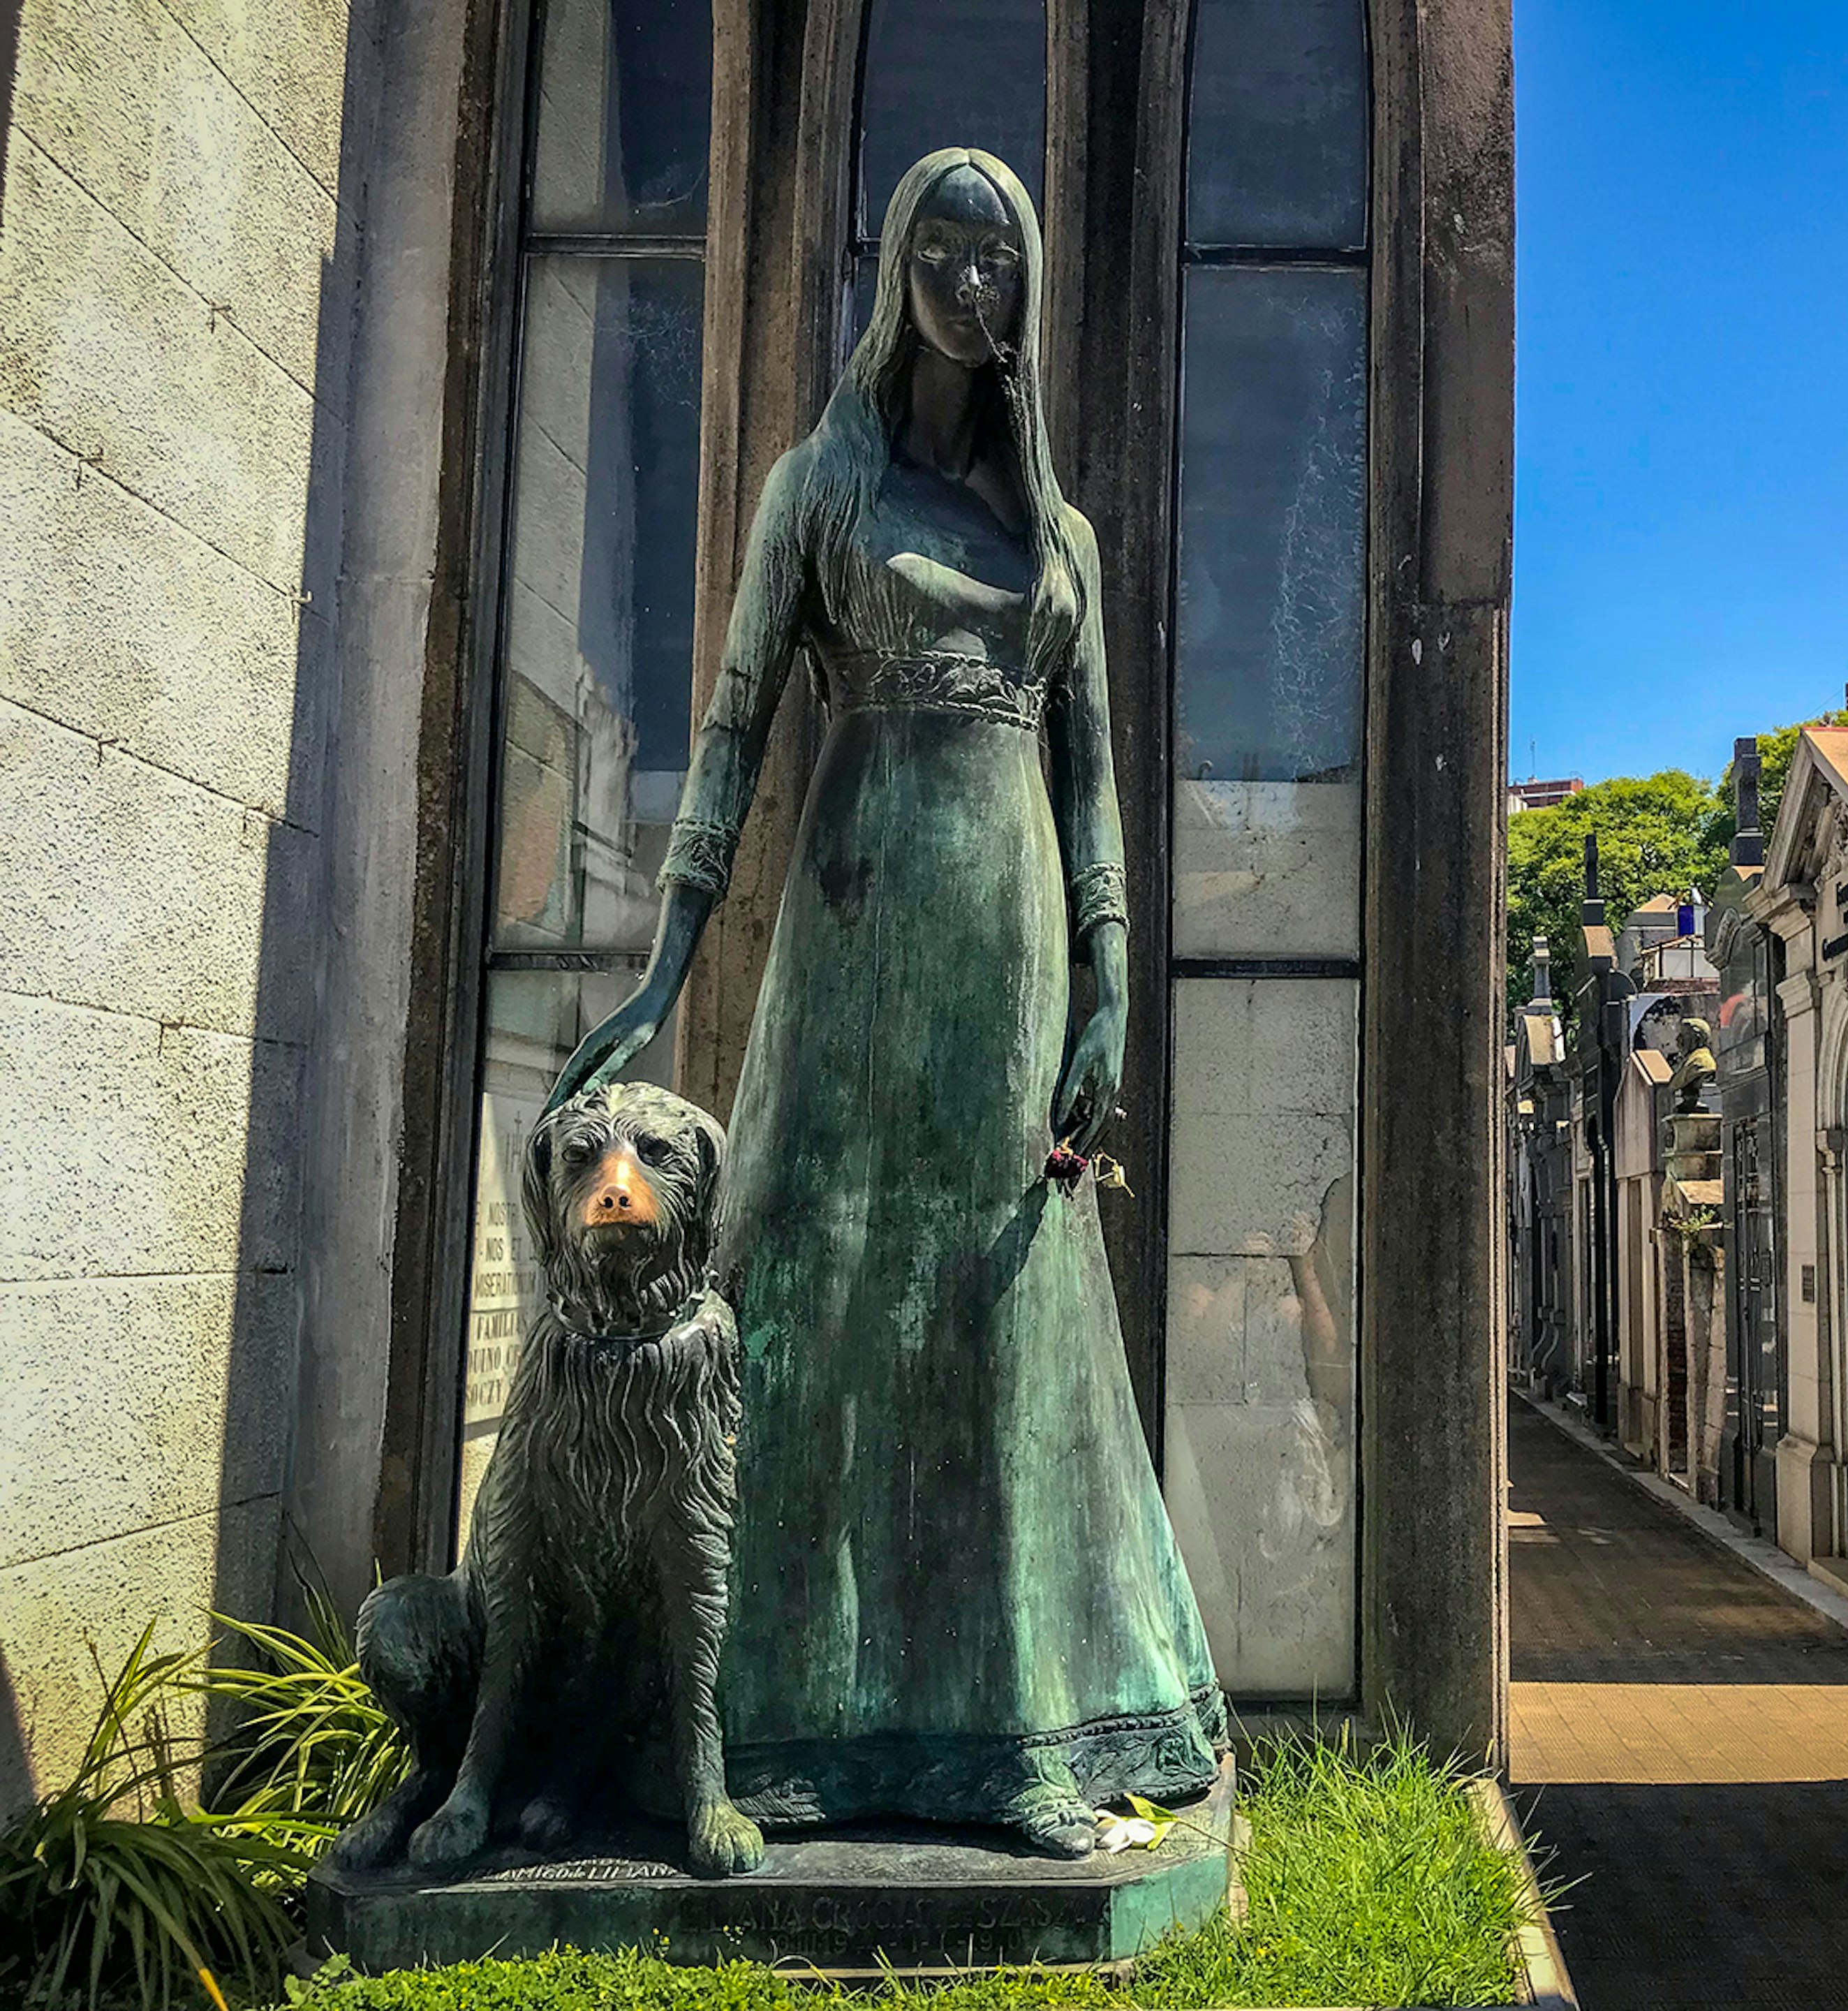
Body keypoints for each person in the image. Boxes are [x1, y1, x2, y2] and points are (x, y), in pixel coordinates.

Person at [547, 147, 1225, 1859]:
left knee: (997, 1318)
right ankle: (771, 1727)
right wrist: (667, 961)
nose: (972, 285)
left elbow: (1093, 790)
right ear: (896, 264)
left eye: (1001, 261)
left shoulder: (1054, 535)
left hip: (1005, 952)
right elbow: (730, 725)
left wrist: (1112, 992)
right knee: (814, 1291)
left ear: (1032, 293)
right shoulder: (820, 491)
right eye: (944, 249)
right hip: (849, 935)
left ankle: (1014, 1742)